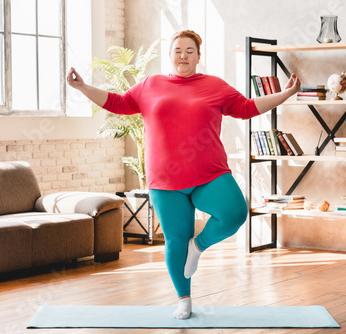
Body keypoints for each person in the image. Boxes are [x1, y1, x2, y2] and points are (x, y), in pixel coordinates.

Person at [67, 30, 300, 320]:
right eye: (178, 50)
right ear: (170, 54)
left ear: (198, 57)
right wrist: (83, 88)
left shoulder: (215, 86)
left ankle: (198, 246)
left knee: (235, 213)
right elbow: (118, 103)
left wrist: (286, 94)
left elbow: (246, 108)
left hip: (209, 173)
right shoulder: (150, 85)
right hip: (165, 180)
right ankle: (184, 300)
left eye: (190, 51)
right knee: (176, 239)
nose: (183, 56)